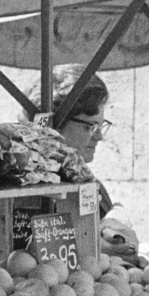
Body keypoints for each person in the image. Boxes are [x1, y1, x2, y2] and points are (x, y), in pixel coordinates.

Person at [54, 73, 116, 218]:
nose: (99, 137)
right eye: (90, 127)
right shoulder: (38, 191)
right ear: (56, 125)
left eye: (100, 126)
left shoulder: (90, 183)